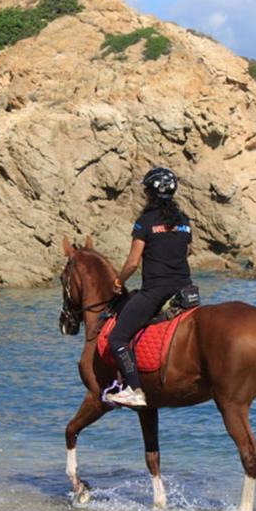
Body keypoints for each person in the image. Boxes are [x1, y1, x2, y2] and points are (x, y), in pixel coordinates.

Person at [105, 166, 193, 408]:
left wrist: (119, 281)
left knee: (117, 338)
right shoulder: (185, 222)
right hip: (186, 291)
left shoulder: (145, 222)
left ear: (150, 194)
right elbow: (187, 251)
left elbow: (133, 263)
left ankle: (135, 390)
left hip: (156, 291)